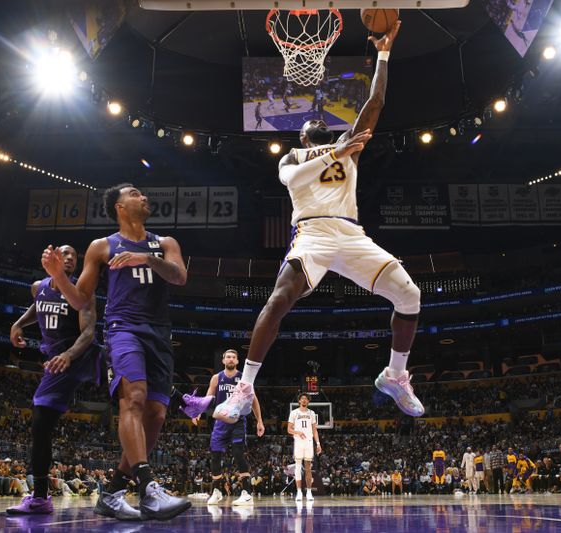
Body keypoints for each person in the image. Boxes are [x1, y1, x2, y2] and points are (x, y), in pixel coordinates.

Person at [214, 21, 424, 425]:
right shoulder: (292, 157)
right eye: (312, 127)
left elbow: (376, 101)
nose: (317, 123)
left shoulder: (351, 149)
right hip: (312, 233)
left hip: (350, 232)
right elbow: (292, 178)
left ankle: (395, 375)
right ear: (306, 137)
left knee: (410, 296)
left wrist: (383, 53)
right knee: (279, 299)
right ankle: (245, 388)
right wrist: (335, 152)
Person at [41, 183, 209, 521]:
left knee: (157, 416)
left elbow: (180, 277)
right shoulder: (101, 246)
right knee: (133, 398)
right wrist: (59, 275)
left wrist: (147, 258)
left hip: (159, 334)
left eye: (143, 193)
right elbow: (79, 300)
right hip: (122, 329)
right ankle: (149, 488)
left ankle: (114, 492)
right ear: (119, 206)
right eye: (134, 193)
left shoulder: (165, 243)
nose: (144, 196)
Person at [5, 245, 100, 515]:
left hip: (76, 356)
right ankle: (40, 496)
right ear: (53, 258)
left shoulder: (83, 294)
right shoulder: (39, 287)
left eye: (74, 257)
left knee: (40, 419)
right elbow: (38, 308)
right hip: (55, 361)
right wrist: (19, 323)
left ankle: (40, 497)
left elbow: (89, 333)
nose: (70, 258)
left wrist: (69, 355)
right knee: (41, 425)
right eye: (65, 254)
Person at [193, 349, 265, 507]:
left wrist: (259, 420)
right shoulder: (216, 378)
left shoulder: (243, 378)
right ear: (223, 360)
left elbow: (253, 400)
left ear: (238, 361)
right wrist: (197, 411)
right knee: (215, 456)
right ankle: (217, 492)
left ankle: (246, 493)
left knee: (239, 453)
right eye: (228, 357)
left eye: (234, 357)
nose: (231, 359)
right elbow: (208, 397)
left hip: (238, 420)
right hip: (221, 422)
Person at [288, 393, 321, 501]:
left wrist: (318, 443)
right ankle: (298, 492)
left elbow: (314, 430)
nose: (304, 400)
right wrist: (298, 432)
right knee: (297, 467)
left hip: (309, 442)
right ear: (299, 401)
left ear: (308, 401)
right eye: (302, 398)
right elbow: (289, 429)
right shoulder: (294, 413)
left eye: (306, 399)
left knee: (308, 468)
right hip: (298, 442)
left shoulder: (311, 413)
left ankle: (309, 492)